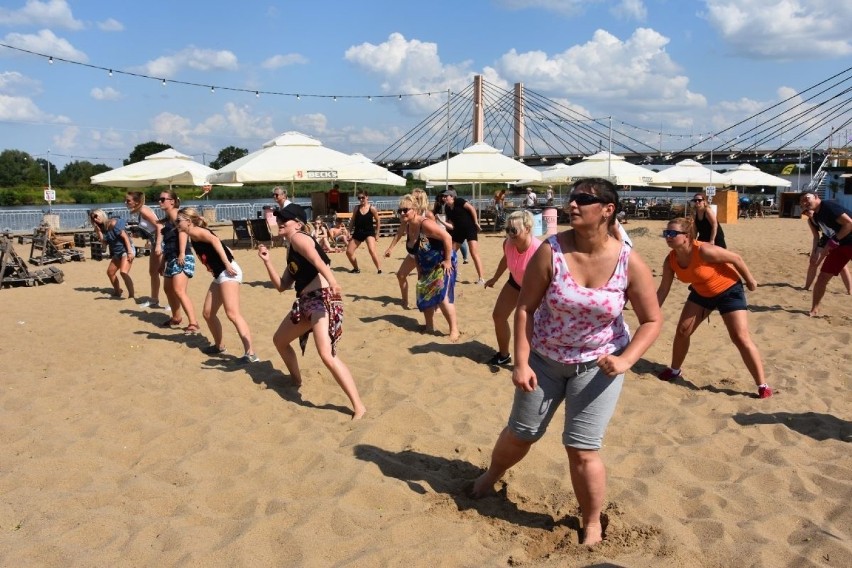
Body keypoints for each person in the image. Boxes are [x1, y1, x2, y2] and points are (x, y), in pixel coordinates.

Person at [470, 179, 662, 547]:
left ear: (608, 210)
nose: (572, 204)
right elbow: (524, 308)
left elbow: (652, 321)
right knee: (522, 433)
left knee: (582, 447)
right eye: (571, 198)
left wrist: (626, 361)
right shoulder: (551, 251)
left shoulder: (629, 261)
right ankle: (490, 476)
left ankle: (591, 522)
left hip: (597, 365)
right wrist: (521, 363)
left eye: (583, 199)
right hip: (544, 358)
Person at [258, 204, 366, 419]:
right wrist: (267, 261)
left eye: (284, 220)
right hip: (306, 302)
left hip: (322, 300)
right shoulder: (291, 247)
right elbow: (282, 286)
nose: (280, 222)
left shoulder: (299, 237)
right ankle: (296, 380)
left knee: (326, 354)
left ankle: (358, 406)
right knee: (280, 340)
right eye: (278, 219)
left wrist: (334, 283)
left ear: (297, 223)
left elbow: (318, 261)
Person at [655, 217, 772, 399]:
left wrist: (750, 281)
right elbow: (663, 289)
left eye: (672, 233)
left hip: (729, 290)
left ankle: (762, 384)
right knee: (683, 331)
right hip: (701, 292)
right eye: (666, 233)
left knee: (740, 337)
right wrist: (652, 313)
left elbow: (736, 259)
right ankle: (675, 370)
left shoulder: (704, 251)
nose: (667, 237)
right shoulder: (670, 260)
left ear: (686, 236)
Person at [175, 207, 258, 364]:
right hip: (220, 274)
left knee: (232, 313)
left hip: (228, 272)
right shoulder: (191, 233)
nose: (176, 223)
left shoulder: (198, 232)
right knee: (208, 313)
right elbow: (217, 241)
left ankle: (251, 353)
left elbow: (214, 240)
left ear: (188, 221)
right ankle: (219, 346)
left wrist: (227, 263)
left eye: (178, 220)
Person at [483, 210, 542, 366]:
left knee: (526, 324)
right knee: (498, 316)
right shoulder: (508, 243)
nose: (510, 234)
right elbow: (506, 259)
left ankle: (533, 362)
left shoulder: (539, 250)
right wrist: (494, 278)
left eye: (514, 230)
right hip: (515, 282)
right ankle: (504, 355)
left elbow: (550, 277)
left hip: (535, 289)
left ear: (527, 229)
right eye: (507, 230)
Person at [398, 193, 460, 340]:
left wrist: (447, 260)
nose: (402, 213)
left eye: (405, 210)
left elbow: (448, 237)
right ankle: (429, 327)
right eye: (399, 210)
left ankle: (454, 330)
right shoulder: (408, 227)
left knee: (442, 296)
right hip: (426, 265)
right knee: (425, 294)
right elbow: (417, 252)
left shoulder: (424, 224)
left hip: (442, 262)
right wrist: (419, 270)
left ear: (414, 209)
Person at [799, 190, 852, 316]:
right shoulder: (816, 217)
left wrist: (835, 240)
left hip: (848, 242)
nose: (805, 203)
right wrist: (818, 252)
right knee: (822, 277)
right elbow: (822, 237)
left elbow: (849, 223)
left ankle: (849, 289)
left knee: (842, 270)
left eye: (807, 198)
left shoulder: (827, 206)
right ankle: (814, 309)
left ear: (816, 197)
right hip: (840, 246)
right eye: (802, 202)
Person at [155, 189, 199, 335]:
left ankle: (193, 322)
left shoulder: (177, 215)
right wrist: (162, 263)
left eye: (163, 199)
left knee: (179, 290)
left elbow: (183, 232)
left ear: (172, 201)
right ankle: (176, 317)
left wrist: (181, 253)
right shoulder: (167, 219)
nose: (159, 202)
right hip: (171, 257)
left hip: (182, 256)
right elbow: (167, 245)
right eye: (159, 199)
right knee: (168, 289)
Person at [384, 189, 433, 309]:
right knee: (401, 275)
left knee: (423, 280)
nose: (411, 199)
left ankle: (432, 305)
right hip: (413, 252)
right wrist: (390, 248)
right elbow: (400, 232)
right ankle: (405, 301)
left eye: (415, 198)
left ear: (420, 200)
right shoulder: (406, 215)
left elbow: (436, 235)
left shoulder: (427, 215)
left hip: (425, 253)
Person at [125, 191, 164, 308]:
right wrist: (144, 237)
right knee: (153, 272)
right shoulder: (141, 211)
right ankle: (154, 299)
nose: (125, 203)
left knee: (166, 273)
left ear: (136, 202)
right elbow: (151, 228)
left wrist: (158, 244)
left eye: (128, 201)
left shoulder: (143, 210)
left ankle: (174, 303)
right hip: (154, 242)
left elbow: (159, 226)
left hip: (161, 242)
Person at [802, 209, 851, 294]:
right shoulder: (811, 221)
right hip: (825, 239)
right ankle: (806, 287)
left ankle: (849, 290)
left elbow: (846, 224)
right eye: (805, 212)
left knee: (843, 267)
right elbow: (816, 236)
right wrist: (814, 251)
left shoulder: (824, 214)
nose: (807, 213)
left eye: (809, 210)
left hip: (838, 238)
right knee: (813, 262)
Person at [90, 209, 135, 299]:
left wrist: (130, 252)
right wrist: (98, 231)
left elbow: (125, 238)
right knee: (110, 272)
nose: (95, 219)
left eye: (96, 216)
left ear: (101, 214)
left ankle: (131, 296)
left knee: (123, 272)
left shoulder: (113, 223)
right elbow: (104, 244)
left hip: (126, 249)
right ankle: (117, 292)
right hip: (117, 252)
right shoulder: (102, 228)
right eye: (92, 218)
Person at [442, 188, 485, 284]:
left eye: (446, 196)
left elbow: (471, 208)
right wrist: (442, 222)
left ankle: (481, 278)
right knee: (451, 252)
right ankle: (454, 273)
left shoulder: (459, 201)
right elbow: (452, 225)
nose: (444, 198)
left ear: (452, 197)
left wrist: (476, 222)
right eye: (443, 196)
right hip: (458, 231)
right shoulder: (447, 208)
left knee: (473, 252)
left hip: (470, 228)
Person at [345, 191, 382, 274]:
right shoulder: (356, 208)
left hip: (369, 232)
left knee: (372, 250)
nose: (361, 199)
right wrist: (349, 231)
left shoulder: (372, 208)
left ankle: (379, 269)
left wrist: (377, 233)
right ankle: (356, 269)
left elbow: (378, 221)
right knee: (349, 252)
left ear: (367, 197)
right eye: (359, 198)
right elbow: (352, 220)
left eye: (363, 197)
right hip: (358, 232)